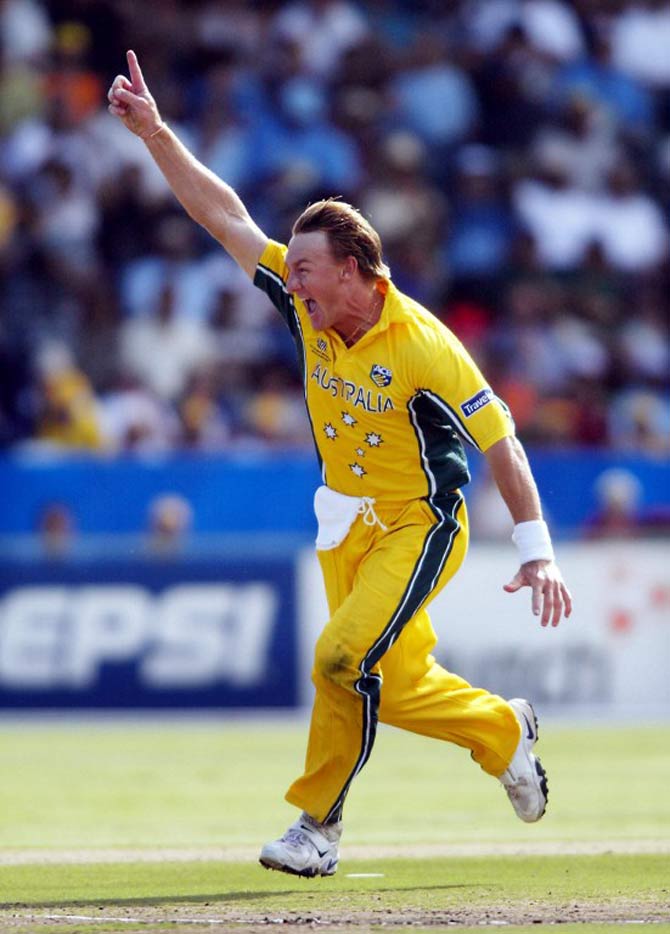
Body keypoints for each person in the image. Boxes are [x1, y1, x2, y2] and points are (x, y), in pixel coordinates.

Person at [108, 51, 573, 879]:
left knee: (334, 660)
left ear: (354, 273)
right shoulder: (306, 302)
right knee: (385, 684)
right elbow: (226, 218)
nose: (293, 281)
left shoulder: (427, 346)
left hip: (418, 524)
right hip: (343, 522)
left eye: (308, 269)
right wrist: (155, 133)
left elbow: (501, 439)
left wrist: (536, 548)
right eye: (293, 269)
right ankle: (504, 731)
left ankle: (316, 826)